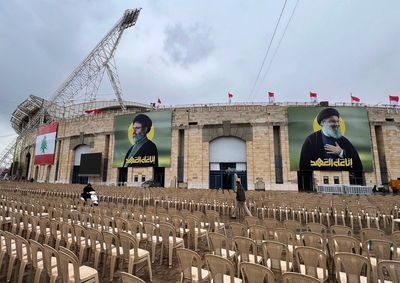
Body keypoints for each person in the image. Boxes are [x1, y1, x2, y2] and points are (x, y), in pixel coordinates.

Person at [299, 107, 363, 171]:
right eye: (332, 121)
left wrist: (341, 152)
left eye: (337, 121)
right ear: (322, 123)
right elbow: (304, 166)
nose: (337, 124)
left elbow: (358, 165)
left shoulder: (344, 141)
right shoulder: (311, 140)